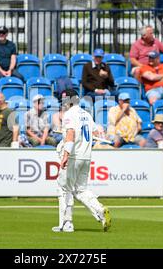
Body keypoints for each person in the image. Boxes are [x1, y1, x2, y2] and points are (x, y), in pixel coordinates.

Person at [52, 88, 111, 233]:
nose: (63, 103)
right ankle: (99, 210)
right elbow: (96, 131)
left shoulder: (69, 115)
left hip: (74, 156)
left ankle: (67, 223)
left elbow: (70, 134)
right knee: (80, 189)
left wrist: (65, 155)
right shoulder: (86, 114)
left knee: (64, 188)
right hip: (86, 156)